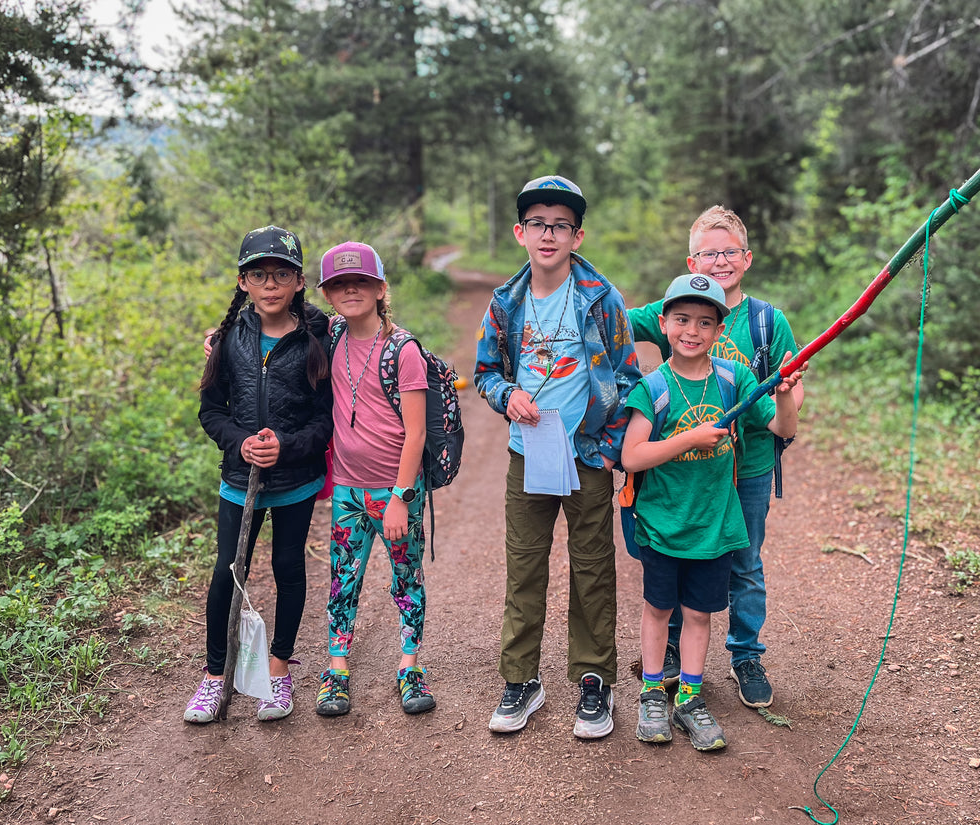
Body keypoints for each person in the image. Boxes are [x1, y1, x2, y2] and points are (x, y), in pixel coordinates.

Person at [474, 174, 642, 739]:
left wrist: (605, 447)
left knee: (592, 570)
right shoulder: (505, 303)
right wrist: (506, 396)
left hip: (586, 459)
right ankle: (521, 679)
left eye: (561, 225)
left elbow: (627, 375)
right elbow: (485, 372)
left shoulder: (601, 299)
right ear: (521, 233)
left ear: (577, 235)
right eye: (538, 224)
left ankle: (594, 680)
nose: (549, 234)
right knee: (524, 569)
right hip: (528, 456)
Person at [628, 205, 804, 709]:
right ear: (691, 260)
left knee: (743, 562)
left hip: (744, 467)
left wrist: (788, 394)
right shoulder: (671, 312)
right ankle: (673, 663)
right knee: (679, 561)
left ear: (746, 259)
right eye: (709, 252)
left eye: (729, 252)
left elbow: (788, 395)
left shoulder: (768, 322)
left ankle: (745, 655)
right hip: (682, 469)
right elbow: (611, 320)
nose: (720, 261)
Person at [186, 225, 333, 723]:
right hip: (237, 480)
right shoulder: (228, 339)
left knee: (289, 571)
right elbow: (212, 412)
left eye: (282, 274)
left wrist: (286, 447)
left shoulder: (319, 339)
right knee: (228, 571)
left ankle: (278, 673)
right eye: (259, 274)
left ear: (298, 281)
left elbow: (325, 419)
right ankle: (213, 676)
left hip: (296, 482)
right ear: (243, 281)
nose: (270, 284)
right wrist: (240, 442)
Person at [313, 241, 437, 718]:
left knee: (406, 577)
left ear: (381, 288)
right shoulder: (331, 337)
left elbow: (417, 430)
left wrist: (402, 498)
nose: (351, 290)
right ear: (327, 294)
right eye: (340, 284)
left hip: (396, 489)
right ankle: (337, 668)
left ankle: (409, 665)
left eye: (361, 281)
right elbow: (273, 321)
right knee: (343, 579)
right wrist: (217, 339)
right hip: (347, 489)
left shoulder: (401, 349)